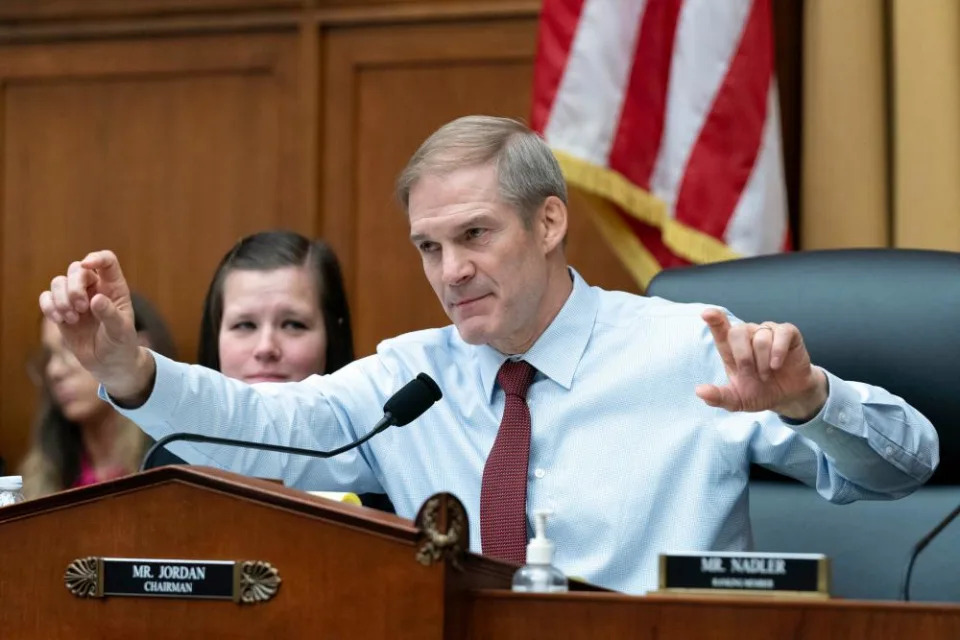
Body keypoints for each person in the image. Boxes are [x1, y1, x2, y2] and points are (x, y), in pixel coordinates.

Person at [38, 116, 939, 594]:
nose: (451, 270)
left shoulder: (687, 349)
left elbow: (908, 468)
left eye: (474, 234)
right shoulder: (413, 377)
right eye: (428, 247)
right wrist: (128, 370)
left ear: (550, 222)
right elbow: (263, 426)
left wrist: (808, 400)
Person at [21, 292, 176, 499]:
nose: (54, 371)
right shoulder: (45, 469)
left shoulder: (170, 458)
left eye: (73, 347)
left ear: (137, 351)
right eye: (50, 355)